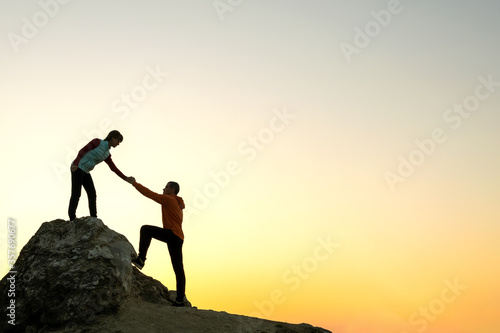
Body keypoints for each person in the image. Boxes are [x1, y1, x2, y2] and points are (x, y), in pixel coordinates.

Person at [127, 178, 187, 306]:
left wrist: (134, 183)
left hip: (172, 234)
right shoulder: (178, 203)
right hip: (178, 238)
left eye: (166, 187)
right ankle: (180, 300)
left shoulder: (169, 199)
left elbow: (149, 194)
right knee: (178, 269)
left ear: (172, 190)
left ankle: (141, 259)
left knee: (145, 229)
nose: (163, 189)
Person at [68, 130, 134, 221]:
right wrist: (75, 163)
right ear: (113, 137)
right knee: (76, 193)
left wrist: (126, 178)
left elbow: (113, 168)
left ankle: (94, 218)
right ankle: (72, 217)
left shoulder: (107, 154)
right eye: (118, 140)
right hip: (78, 167)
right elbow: (82, 151)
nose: (118, 144)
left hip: (86, 171)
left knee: (92, 194)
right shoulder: (97, 142)